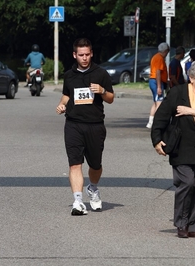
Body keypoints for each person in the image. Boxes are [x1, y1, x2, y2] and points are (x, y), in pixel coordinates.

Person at [151, 60, 195, 238]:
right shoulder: (177, 92)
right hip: (181, 147)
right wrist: (157, 140)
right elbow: (161, 116)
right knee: (187, 182)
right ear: (191, 78)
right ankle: (181, 223)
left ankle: (191, 226)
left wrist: (193, 111)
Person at [56, 38, 114, 216]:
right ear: (75, 55)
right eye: (81, 55)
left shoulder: (101, 73)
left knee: (95, 165)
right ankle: (78, 201)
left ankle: (93, 188)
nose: (84, 58)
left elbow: (111, 98)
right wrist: (62, 105)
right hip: (73, 124)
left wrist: (102, 91)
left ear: (92, 53)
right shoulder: (69, 75)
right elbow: (67, 95)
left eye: (87, 54)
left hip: (95, 125)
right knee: (75, 164)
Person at [146, 42, 170, 129]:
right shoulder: (159, 58)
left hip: (154, 81)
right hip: (156, 82)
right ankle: (156, 122)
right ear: (165, 50)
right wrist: (159, 87)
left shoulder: (155, 57)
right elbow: (158, 72)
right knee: (159, 103)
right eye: (167, 51)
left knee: (156, 102)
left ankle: (151, 122)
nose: (167, 53)